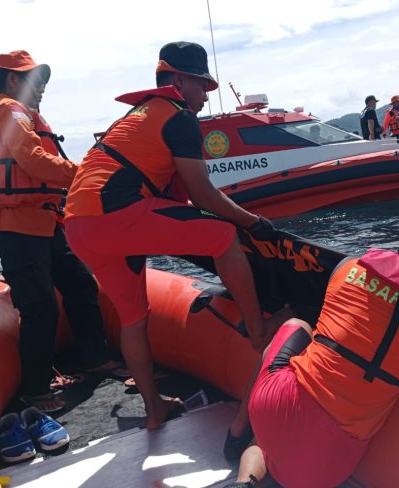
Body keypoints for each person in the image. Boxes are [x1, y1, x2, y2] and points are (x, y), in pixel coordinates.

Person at [63, 41, 288, 429]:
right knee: (222, 235)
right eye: (202, 85)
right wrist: (252, 222)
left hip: (78, 226)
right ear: (180, 80)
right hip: (115, 214)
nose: (204, 97)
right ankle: (257, 330)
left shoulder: (137, 116)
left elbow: (176, 193)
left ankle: (155, 410)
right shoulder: (178, 115)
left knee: (134, 317)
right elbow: (202, 194)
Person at [226, 194, 399, 488]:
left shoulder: (347, 269)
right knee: (284, 441)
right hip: (328, 464)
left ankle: (237, 443)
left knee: (296, 324)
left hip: (273, 407)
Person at [0, 50, 122, 413]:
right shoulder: (9, 110)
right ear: (12, 80)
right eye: (34, 79)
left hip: (41, 220)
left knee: (79, 284)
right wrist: (87, 174)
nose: (42, 87)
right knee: (40, 306)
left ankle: (95, 358)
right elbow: (32, 160)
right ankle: (35, 388)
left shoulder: (14, 112)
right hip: (12, 225)